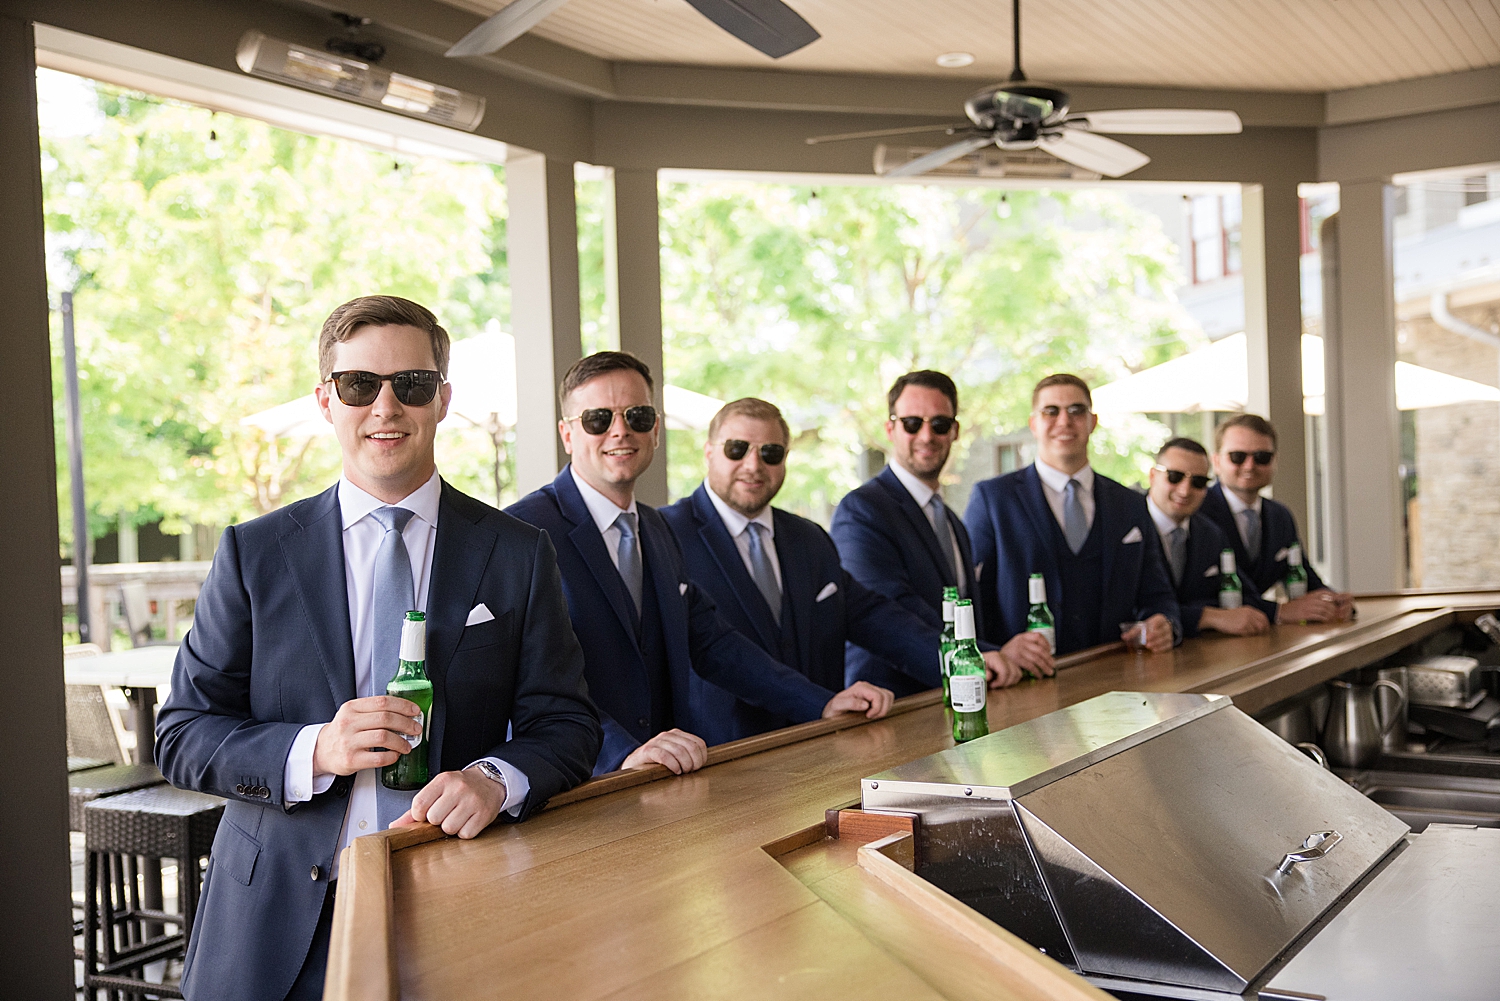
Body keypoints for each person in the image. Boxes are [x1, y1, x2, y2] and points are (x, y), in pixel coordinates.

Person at [155, 296, 602, 1001]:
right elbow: (182, 734)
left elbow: (568, 724)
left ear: (443, 399)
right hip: (272, 922)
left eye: (411, 385)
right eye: (360, 384)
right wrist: (315, 749)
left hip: (460, 906)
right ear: (325, 399)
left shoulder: (518, 553)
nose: (386, 407)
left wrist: (492, 777)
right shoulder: (255, 552)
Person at [506, 352, 893, 776]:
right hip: (578, 786)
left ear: (655, 429)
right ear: (567, 434)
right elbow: (523, 678)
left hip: (666, 780)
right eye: (598, 418)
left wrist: (820, 702)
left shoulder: (655, 528)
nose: (620, 431)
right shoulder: (522, 532)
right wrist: (620, 754)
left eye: (636, 416)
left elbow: (714, 644)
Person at [663, 398, 1044, 743]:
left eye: (771, 452)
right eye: (737, 449)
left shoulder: (809, 537)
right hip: (722, 758)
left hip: (821, 747)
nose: (753, 464)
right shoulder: (667, 536)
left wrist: (961, 660)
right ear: (709, 452)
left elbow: (873, 616)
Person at [831, 371, 1054, 697]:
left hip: (958, 698)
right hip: (891, 704)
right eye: (911, 423)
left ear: (955, 431)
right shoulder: (862, 510)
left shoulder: (951, 520)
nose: (926, 435)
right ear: (890, 429)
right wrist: (984, 653)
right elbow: (890, 611)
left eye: (939, 424)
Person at [966, 373, 1182, 655]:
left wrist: (1165, 623)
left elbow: (1158, 593)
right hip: (1025, 678)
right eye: (1051, 411)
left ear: (1093, 422)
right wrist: (995, 651)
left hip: (1115, 671)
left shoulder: (1129, 503)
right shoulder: (993, 499)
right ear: (1033, 424)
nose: (1064, 421)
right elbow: (972, 597)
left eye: (1077, 411)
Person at [1199, 414, 1354, 623]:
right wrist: (1280, 611)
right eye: (1237, 456)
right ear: (1216, 462)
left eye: (1262, 457)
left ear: (1275, 461)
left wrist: (1333, 600)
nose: (1249, 466)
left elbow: (1303, 575)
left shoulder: (1279, 515)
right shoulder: (1198, 511)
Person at [1146, 437, 1276, 637]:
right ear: (1153, 476)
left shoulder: (1209, 533)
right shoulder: (1126, 527)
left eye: (1198, 482)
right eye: (1174, 476)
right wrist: (1206, 615)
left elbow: (1245, 595)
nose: (1185, 490)